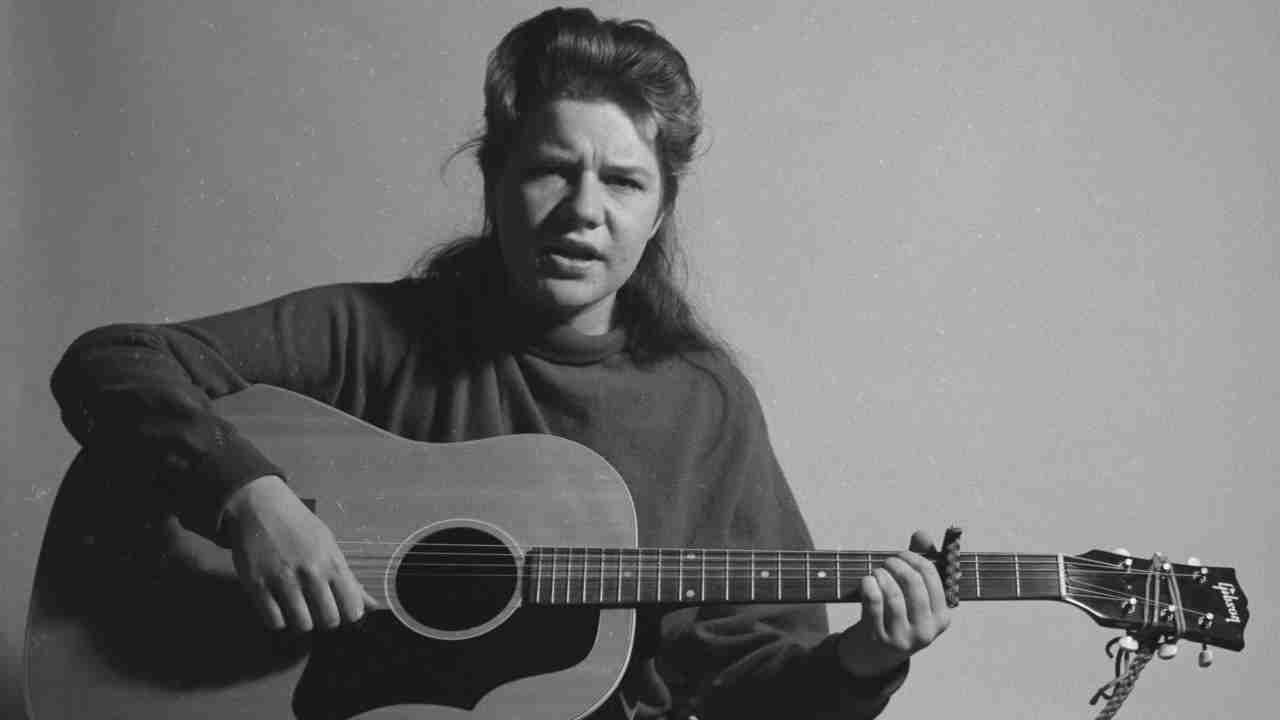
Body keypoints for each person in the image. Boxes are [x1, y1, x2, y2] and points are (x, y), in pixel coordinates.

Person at [51, 7, 948, 719]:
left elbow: (742, 692)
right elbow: (113, 360)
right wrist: (246, 496)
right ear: (494, 180)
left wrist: (863, 661)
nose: (583, 211)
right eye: (551, 169)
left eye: (625, 182)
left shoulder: (704, 405)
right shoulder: (373, 333)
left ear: (662, 209)